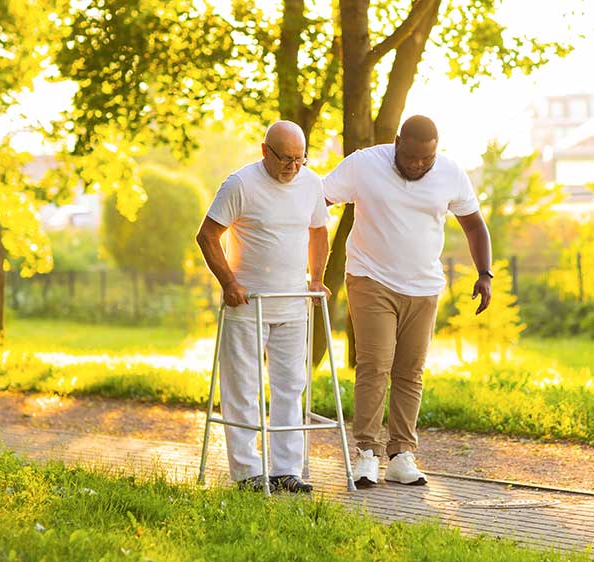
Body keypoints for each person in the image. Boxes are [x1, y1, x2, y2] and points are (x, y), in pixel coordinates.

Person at [323, 115, 492, 487]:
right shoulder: (364, 164)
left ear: (436, 152)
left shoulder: (450, 173)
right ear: (398, 142)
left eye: (426, 160)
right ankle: (367, 453)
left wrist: (484, 273)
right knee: (374, 365)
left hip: (424, 287)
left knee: (410, 372)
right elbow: (318, 198)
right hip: (371, 278)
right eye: (412, 157)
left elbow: (474, 224)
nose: (418, 166)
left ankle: (401, 455)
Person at [196, 121, 330, 493]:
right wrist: (228, 282)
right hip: (248, 302)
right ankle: (247, 472)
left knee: (291, 386)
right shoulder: (240, 184)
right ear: (264, 151)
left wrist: (316, 278)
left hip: (292, 302)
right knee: (243, 386)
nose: (292, 167)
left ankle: (287, 469)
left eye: (299, 159)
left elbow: (318, 231)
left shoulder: (311, 184)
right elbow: (207, 235)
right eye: (285, 158)